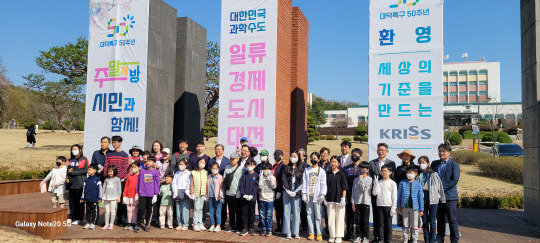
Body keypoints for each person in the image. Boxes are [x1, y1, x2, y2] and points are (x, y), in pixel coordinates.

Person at [431, 143, 460, 243]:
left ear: (449, 153)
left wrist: (441, 188)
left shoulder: (454, 165)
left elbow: (454, 180)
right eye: (440, 151)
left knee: (452, 220)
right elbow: (431, 178)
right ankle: (440, 238)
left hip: (450, 197)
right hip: (437, 197)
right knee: (440, 219)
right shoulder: (434, 164)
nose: (441, 153)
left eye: (444, 151)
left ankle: (454, 239)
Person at [368, 143, 396, 242]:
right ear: (377, 151)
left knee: (387, 219)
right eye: (379, 150)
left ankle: (387, 238)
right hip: (376, 192)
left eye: (383, 150)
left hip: (387, 194)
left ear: (387, 151)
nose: (381, 151)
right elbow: (370, 177)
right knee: (376, 215)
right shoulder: (372, 163)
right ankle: (377, 236)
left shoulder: (391, 163)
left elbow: (393, 178)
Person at [417, 156, 445, 243]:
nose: (422, 165)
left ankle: (432, 240)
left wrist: (443, 199)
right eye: (420, 163)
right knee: (424, 222)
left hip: (433, 200)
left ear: (428, 163)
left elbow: (440, 187)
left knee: (432, 222)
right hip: (423, 201)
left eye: (423, 163)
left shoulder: (434, 174)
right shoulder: (419, 175)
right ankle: (427, 240)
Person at [104, 135, 130, 227]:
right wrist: (107, 177)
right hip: (109, 180)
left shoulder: (125, 155)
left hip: (119, 181)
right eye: (113, 142)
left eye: (115, 142)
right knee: (108, 200)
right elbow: (106, 166)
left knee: (119, 201)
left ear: (120, 143)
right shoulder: (109, 154)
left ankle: (119, 219)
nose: (113, 144)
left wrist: (117, 178)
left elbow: (125, 168)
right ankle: (107, 220)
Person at [302, 152, 327, 241]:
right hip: (309, 195)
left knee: (318, 215)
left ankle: (319, 233)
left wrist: (322, 194)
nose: (313, 160)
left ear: (318, 159)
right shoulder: (307, 170)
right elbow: (304, 183)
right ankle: (311, 233)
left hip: (317, 196)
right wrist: (304, 194)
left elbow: (324, 184)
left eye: (315, 158)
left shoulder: (321, 171)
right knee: (309, 214)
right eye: (312, 158)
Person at [397, 166, 424, 243]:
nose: (409, 174)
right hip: (404, 207)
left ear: (416, 174)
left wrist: (421, 209)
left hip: (415, 208)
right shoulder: (402, 183)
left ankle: (414, 240)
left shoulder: (418, 184)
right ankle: (405, 239)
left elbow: (420, 198)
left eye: (411, 172)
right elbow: (399, 195)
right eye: (407, 172)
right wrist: (398, 205)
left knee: (415, 225)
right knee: (405, 224)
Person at [134, 156, 160, 233]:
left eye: (150, 161)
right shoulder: (142, 171)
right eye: (147, 161)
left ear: (154, 163)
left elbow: (157, 183)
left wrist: (155, 194)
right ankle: (138, 224)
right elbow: (138, 182)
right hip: (142, 193)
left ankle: (147, 224)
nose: (148, 162)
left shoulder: (155, 172)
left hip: (151, 194)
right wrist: (136, 192)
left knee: (149, 209)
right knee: (141, 209)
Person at [325, 155, 348, 243]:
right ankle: (332, 235)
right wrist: (325, 198)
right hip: (330, 199)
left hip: (339, 200)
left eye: (335, 162)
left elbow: (344, 187)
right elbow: (325, 187)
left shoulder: (342, 174)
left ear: (338, 163)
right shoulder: (328, 174)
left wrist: (343, 198)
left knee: (339, 218)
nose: (333, 163)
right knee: (331, 218)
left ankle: (339, 236)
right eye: (332, 162)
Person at [372, 165, 397, 243]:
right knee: (380, 224)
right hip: (379, 205)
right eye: (382, 171)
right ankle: (381, 239)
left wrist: (393, 207)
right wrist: (375, 184)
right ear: (380, 172)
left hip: (388, 206)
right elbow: (374, 193)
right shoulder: (379, 182)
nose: (384, 172)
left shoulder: (392, 183)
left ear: (390, 172)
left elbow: (394, 196)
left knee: (388, 224)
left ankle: (389, 239)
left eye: (386, 171)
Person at [343, 148, 363, 241]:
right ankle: (349, 233)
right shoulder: (346, 169)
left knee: (359, 217)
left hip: (360, 197)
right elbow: (344, 182)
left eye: (357, 154)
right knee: (349, 216)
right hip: (349, 195)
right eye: (353, 154)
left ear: (360, 156)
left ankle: (359, 235)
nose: (354, 156)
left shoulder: (363, 169)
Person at [282, 152, 304, 239]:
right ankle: (288, 232)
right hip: (287, 191)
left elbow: (302, 181)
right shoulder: (286, 168)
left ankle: (296, 232)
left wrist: (296, 191)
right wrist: (288, 190)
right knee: (287, 211)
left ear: (298, 158)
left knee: (296, 212)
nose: (292, 158)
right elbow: (283, 179)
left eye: (294, 156)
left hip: (297, 192)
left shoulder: (301, 169)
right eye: (291, 156)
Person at [66, 144, 90, 225]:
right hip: (71, 184)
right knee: (72, 202)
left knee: (79, 202)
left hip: (80, 183)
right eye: (73, 149)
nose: (74, 150)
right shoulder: (71, 160)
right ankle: (72, 216)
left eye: (76, 149)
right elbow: (68, 171)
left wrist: (73, 172)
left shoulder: (84, 159)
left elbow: (85, 170)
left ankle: (79, 218)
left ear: (80, 150)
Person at [351, 162, 372, 243]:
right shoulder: (355, 179)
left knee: (365, 221)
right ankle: (358, 236)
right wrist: (353, 201)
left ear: (367, 170)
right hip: (357, 202)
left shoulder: (369, 179)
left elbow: (364, 189)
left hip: (365, 202)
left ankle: (365, 237)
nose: (362, 170)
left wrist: (361, 179)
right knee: (358, 221)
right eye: (360, 168)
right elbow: (353, 191)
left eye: (364, 169)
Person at [223, 152, 244, 233]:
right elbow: (224, 181)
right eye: (230, 159)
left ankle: (238, 227)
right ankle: (231, 225)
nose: (231, 161)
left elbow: (242, 182)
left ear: (237, 159)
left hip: (237, 193)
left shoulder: (241, 169)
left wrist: (240, 192)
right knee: (231, 211)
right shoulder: (227, 169)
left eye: (233, 159)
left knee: (238, 211)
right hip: (228, 193)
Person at [239, 160, 259, 236]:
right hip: (244, 198)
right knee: (244, 213)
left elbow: (256, 187)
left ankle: (251, 228)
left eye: (251, 165)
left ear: (254, 166)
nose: (250, 167)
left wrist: (252, 195)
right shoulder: (244, 175)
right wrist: (243, 194)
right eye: (248, 165)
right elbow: (241, 185)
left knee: (251, 214)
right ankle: (245, 228)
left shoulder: (256, 175)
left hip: (252, 198)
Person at [80, 164, 102, 230]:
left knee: (94, 211)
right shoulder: (86, 180)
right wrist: (82, 198)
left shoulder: (97, 180)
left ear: (95, 171)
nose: (88, 171)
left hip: (94, 199)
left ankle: (93, 223)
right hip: (87, 199)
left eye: (90, 169)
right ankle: (88, 222)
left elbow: (100, 190)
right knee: (87, 212)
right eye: (88, 169)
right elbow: (84, 190)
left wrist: (100, 198)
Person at [189, 157, 208, 231]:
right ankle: (195, 224)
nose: (202, 164)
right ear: (197, 163)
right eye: (201, 162)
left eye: (203, 163)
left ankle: (200, 223)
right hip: (196, 193)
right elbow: (191, 183)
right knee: (196, 209)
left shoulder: (205, 172)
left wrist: (206, 193)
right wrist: (192, 193)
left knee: (201, 209)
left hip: (203, 193)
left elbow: (206, 184)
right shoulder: (193, 172)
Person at [172, 159, 191, 231]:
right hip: (178, 191)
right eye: (180, 164)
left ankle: (185, 224)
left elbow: (188, 183)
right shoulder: (177, 173)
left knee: (185, 209)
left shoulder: (188, 173)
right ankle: (179, 223)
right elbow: (174, 183)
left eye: (182, 164)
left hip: (185, 191)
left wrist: (187, 191)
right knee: (178, 209)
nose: (181, 166)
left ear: (186, 165)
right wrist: (175, 191)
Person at [259, 162, 277, 237]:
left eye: (268, 169)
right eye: (264, 169)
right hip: (262, 198)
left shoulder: (273, 177)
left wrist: (270, 178)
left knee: (269, 215)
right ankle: (263, 228)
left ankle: (269, 229)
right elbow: (259, 187)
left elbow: (274, 186)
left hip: (270, 199)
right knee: (262, 215)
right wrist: (260, 178)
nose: (266, 171)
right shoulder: (261, 177)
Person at [102, 165, 122, 230]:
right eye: (108, 171)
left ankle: (111, 224)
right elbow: (103, 188)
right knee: (107, 211)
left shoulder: (117, 179)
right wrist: (102, 196)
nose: (109, 173)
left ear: (114, 171)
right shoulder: (106, 179)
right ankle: (106, 224)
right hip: (106, 197)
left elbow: (119, 189)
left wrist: (119, 197)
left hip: (113, 198)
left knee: (113, 211)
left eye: (111, 171)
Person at [318, 147, 331, 236]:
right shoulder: (316, 165)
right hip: (317, 193)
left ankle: (327, 230)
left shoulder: (331, 165)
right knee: (318, 213)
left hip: (328, 193)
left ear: (328, 155)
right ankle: (318, 230)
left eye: (325, 153)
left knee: (327, 214)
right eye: (322, 153)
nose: (324, 155)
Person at [206, 162, 224, 232]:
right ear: (210, 169)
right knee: (211, 211)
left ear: (218, 169)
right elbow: (207, 186)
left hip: (218, 197)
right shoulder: (209, 176)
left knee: (218, 212)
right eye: (213, 168)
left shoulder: (220, 177)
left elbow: (222, 188)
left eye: (216, 168)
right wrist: (206, 195)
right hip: (210, 196)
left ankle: (218, 225)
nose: (214, 170)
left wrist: (223, 197)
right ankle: (212, 224)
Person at [123, 162, 140, 230]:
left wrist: (137, 194)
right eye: (132, 167)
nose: (133, 168)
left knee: (134, 210)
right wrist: (124, 195)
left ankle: (134, 223)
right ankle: (129, 223)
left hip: (135, 196)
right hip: (128, 196)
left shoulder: (140, 176)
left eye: (135, 167)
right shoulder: (130, 176)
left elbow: (140, 186)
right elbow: (126, 186)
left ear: (139, 167)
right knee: (129, 210)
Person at [272, 149, 286, 234]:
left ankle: (282, 226)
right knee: (277, 209)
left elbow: (282, 180)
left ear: (282, 156)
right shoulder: (274, 165)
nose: (276, 157)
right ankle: (278, 225)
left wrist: (280, 191)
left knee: (281, 210)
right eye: (275, 155)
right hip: (273, 190)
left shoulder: (283, 166)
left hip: (280, 190)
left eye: (278, 155)